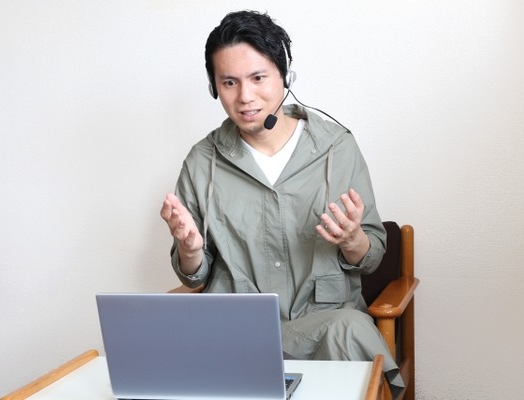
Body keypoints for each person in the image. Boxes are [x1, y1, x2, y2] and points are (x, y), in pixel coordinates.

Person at [160, 10, 404, 397]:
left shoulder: (336, 148)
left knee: (351, 330)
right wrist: (190, 251)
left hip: (324, 328)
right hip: (239, 333)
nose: (245, 97)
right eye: (229, 82)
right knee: (162, 355)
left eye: (258, 78)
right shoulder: (201, 162)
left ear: (285, 76)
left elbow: (371, 256)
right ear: (214, 87)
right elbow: (194, 276)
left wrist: (353, 239)